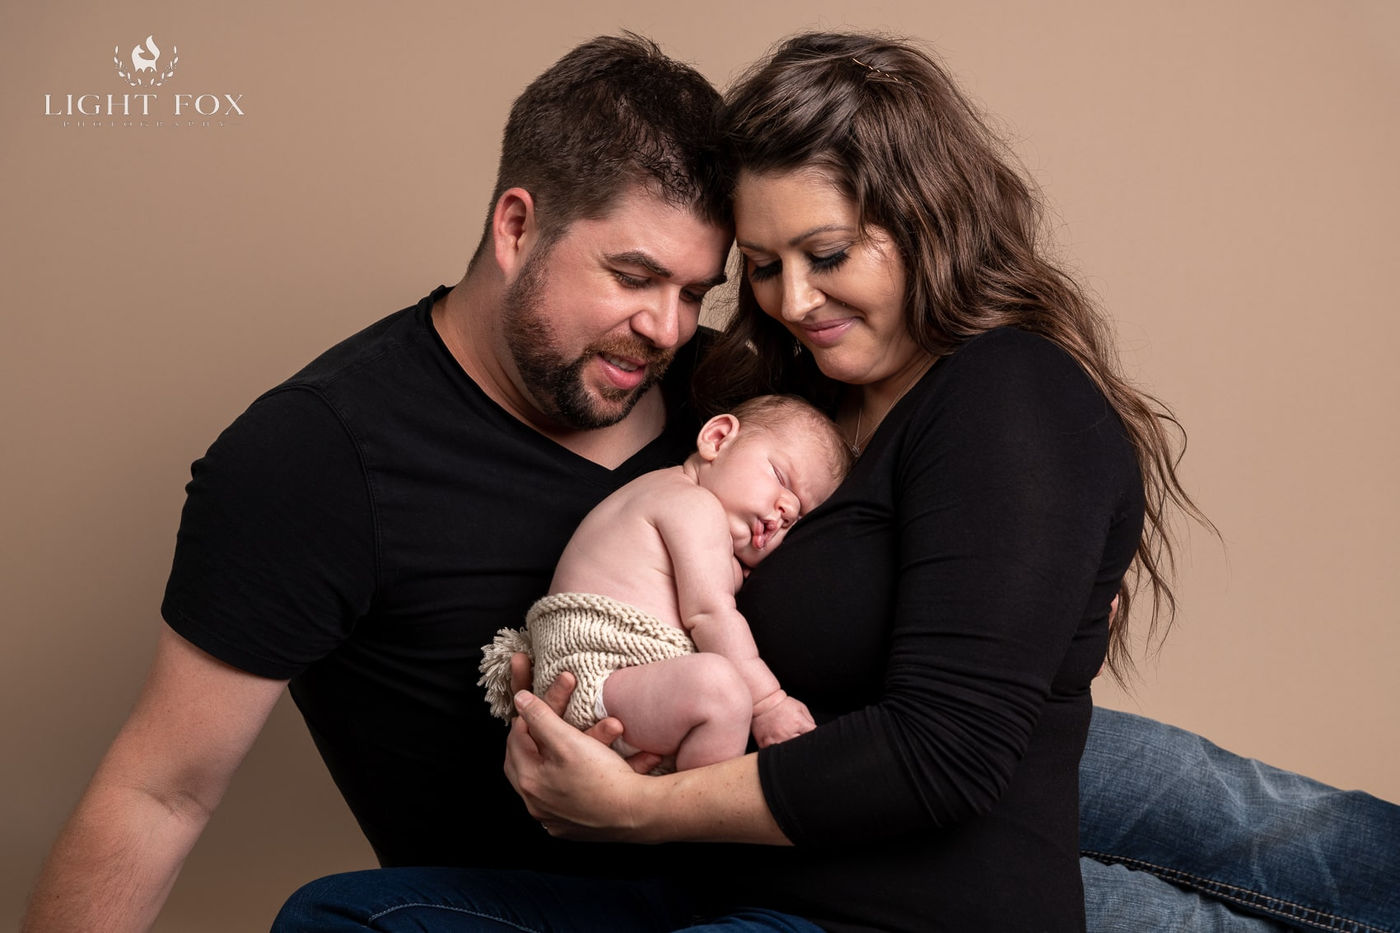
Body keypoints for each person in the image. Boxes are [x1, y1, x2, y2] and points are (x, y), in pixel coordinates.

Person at [25, 30, 1398, 933]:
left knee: (1274, 827)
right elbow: (158, 794)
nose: (674, 325)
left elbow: (944, 463)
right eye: (633, 278)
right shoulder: (316, 458)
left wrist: (1050, 561)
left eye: (699, 286)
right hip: (747, 842)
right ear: (518, 224)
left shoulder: (718, 376)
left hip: (898, 746)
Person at [479, 394, 849, 769]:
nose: (787, 510)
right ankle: (692, 815)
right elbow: (709, 613)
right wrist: (769, 703)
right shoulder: (692, 504)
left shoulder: (668, 497)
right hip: (597, 676)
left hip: (600, 686)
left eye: (799, 516)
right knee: (721, 690)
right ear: (718, 439)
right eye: (780, 477)